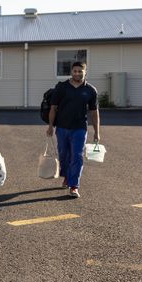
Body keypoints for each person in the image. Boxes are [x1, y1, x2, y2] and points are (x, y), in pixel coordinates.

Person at [46, 61, 100, 198]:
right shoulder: (62, 87)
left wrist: (97, 132)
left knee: (77, 156)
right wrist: (50, 126)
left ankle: (74, 185)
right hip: (62, 128)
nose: (77, 73)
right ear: (71, 72)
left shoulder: (90, 90)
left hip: (80, 128)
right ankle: (66, 176)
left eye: (80, 71)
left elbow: (94, 112)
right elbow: (53, 108)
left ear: (85, 72)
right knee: (64, 155)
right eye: (75, 71)